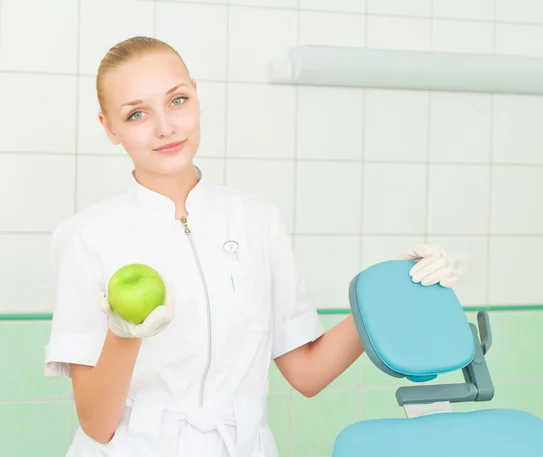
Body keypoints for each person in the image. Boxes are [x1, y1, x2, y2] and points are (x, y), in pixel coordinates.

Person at [44, 36, 459, 457]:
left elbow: (308, 373)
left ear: (196, 97)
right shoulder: (86, 236)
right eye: (136, 114)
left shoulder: (258, 220)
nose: (165, 127)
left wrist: (392, 288)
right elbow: (97, 425)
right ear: (109, 128)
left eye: (177, 101)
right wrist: (123, 335)